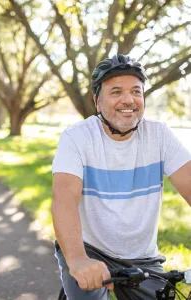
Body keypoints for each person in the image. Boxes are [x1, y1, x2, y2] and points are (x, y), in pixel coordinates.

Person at [51, 54, 191, 300]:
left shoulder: (160, 136)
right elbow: (63, 199)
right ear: (98, 101)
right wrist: (78, 260)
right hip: (88, 250)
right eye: (116, 92)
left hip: (142, 257)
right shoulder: (77, 137)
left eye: (136, 91)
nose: (129, 99)